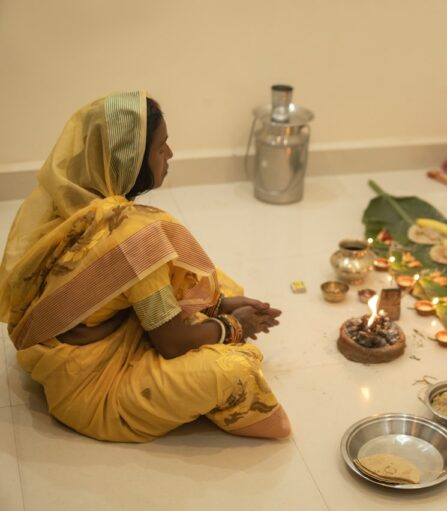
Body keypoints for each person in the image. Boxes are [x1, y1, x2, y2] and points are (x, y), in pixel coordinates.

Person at [0, 91, 291, 442]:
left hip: (55, 350)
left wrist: (218, 305)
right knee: (236, 368)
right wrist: (233, 327)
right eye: (160, 147)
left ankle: (211, 312)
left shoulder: (71, 198)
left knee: (211, 282)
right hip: (93, 388)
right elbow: (172, 343)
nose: (169, 155)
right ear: (130, 161)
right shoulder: (133, 237)